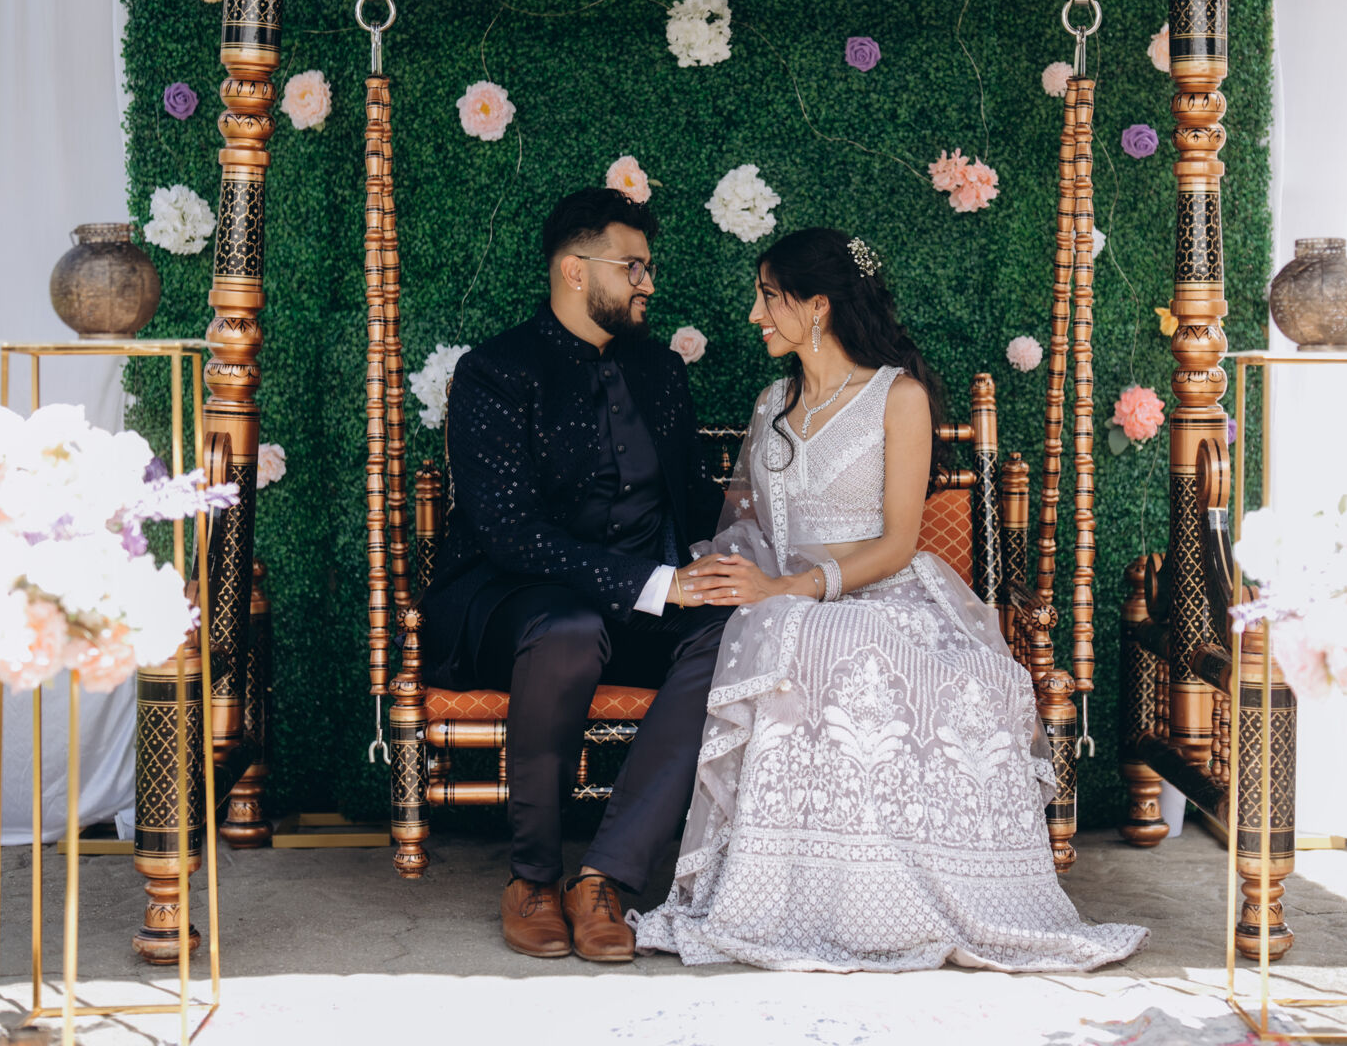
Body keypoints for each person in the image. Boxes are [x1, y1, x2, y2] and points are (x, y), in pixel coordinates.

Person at [632, 227, 1147, 971]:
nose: (754, 314)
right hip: (784, 601)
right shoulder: (772, 402)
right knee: (788, 640)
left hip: (884, 592)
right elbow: (748, 526)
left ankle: (904, 897)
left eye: (768, 297)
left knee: (856, 649)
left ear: (817, 306)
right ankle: (786, 898)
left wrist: (791, 588)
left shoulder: (897, 397)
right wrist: (740, 580)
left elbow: (899, 543)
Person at [422, 187, 729, 963]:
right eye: (633, 267)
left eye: (648, 267)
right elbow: (508, 532)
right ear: (574, 270)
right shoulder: (495, 371)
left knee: (733, 633)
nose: (647, 283)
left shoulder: (660, 370)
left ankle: (604, 880)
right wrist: (653, 585)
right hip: (513, 604)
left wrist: (721, 568)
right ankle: (531, 880)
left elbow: (693, 498)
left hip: (641, 604)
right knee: (568, 627)